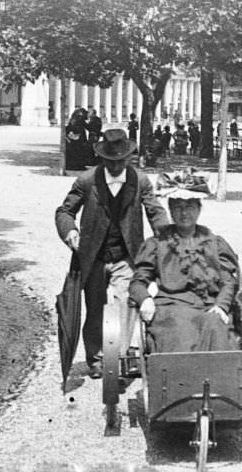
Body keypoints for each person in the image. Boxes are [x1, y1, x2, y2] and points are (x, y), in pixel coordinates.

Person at [55, 128, 170, 378]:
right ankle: (96, 358)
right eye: (111, 161)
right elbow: (64, 212)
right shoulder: (87, 181)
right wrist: (70, 232)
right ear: (103, 159)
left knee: (125, 304)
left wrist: (168, 238)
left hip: (125, 256)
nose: (117, 166)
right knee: (95, 308)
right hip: (93, 257)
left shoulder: (140, 181)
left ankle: (120, 356)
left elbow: (155, 212)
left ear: (128, 158)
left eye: (121, 161)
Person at [130, 189, 239, 354]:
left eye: (190, 207)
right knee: (179, 331)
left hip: (208, 307)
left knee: (216, 327)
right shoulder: (157, 244)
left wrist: (222, 305)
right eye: (178, 207)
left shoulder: (215, 244)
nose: (184, 213)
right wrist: (145, 299)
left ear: (199, 209)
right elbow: (138, 282)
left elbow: (228, 281)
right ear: (171, 211)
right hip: (171, 308)